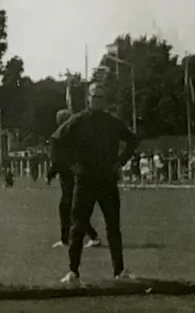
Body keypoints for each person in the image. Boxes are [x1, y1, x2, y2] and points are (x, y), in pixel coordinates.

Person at [50, 82, 140, 284]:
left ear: (104, 100)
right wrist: (70, 164)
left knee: (113, 226)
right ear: (88, 98)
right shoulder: (78, 120)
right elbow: (56, 140)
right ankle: (73, 271)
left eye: (101, 96)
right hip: (85, 180)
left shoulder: (112, 122)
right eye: (95, 96)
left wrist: (120, 161)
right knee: (78, 226)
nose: (98, 100)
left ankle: (119, 271)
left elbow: (132, 140)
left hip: (107, 179)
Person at [46, 107, 101, 250]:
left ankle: (72, 239)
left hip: (68, 177)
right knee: (74, 209)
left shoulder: (58, 137)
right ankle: (86, 236)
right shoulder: (79, 137)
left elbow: (57, 159)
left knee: (68, 209)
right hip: (80, 176)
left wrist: (50, 174)